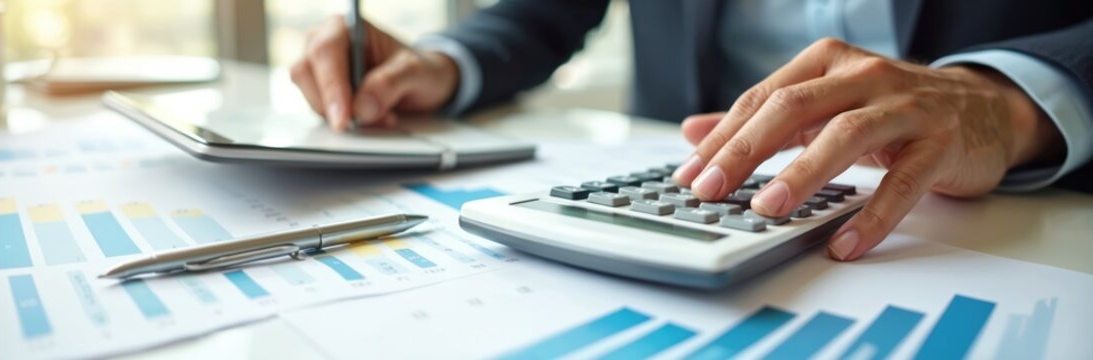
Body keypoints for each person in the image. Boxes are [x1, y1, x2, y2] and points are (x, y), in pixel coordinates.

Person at [290, 0, 1093, 261]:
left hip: (1026, 210)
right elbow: (544, 9)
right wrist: (445, 59)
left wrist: (1009, 97)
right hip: (691, 183)